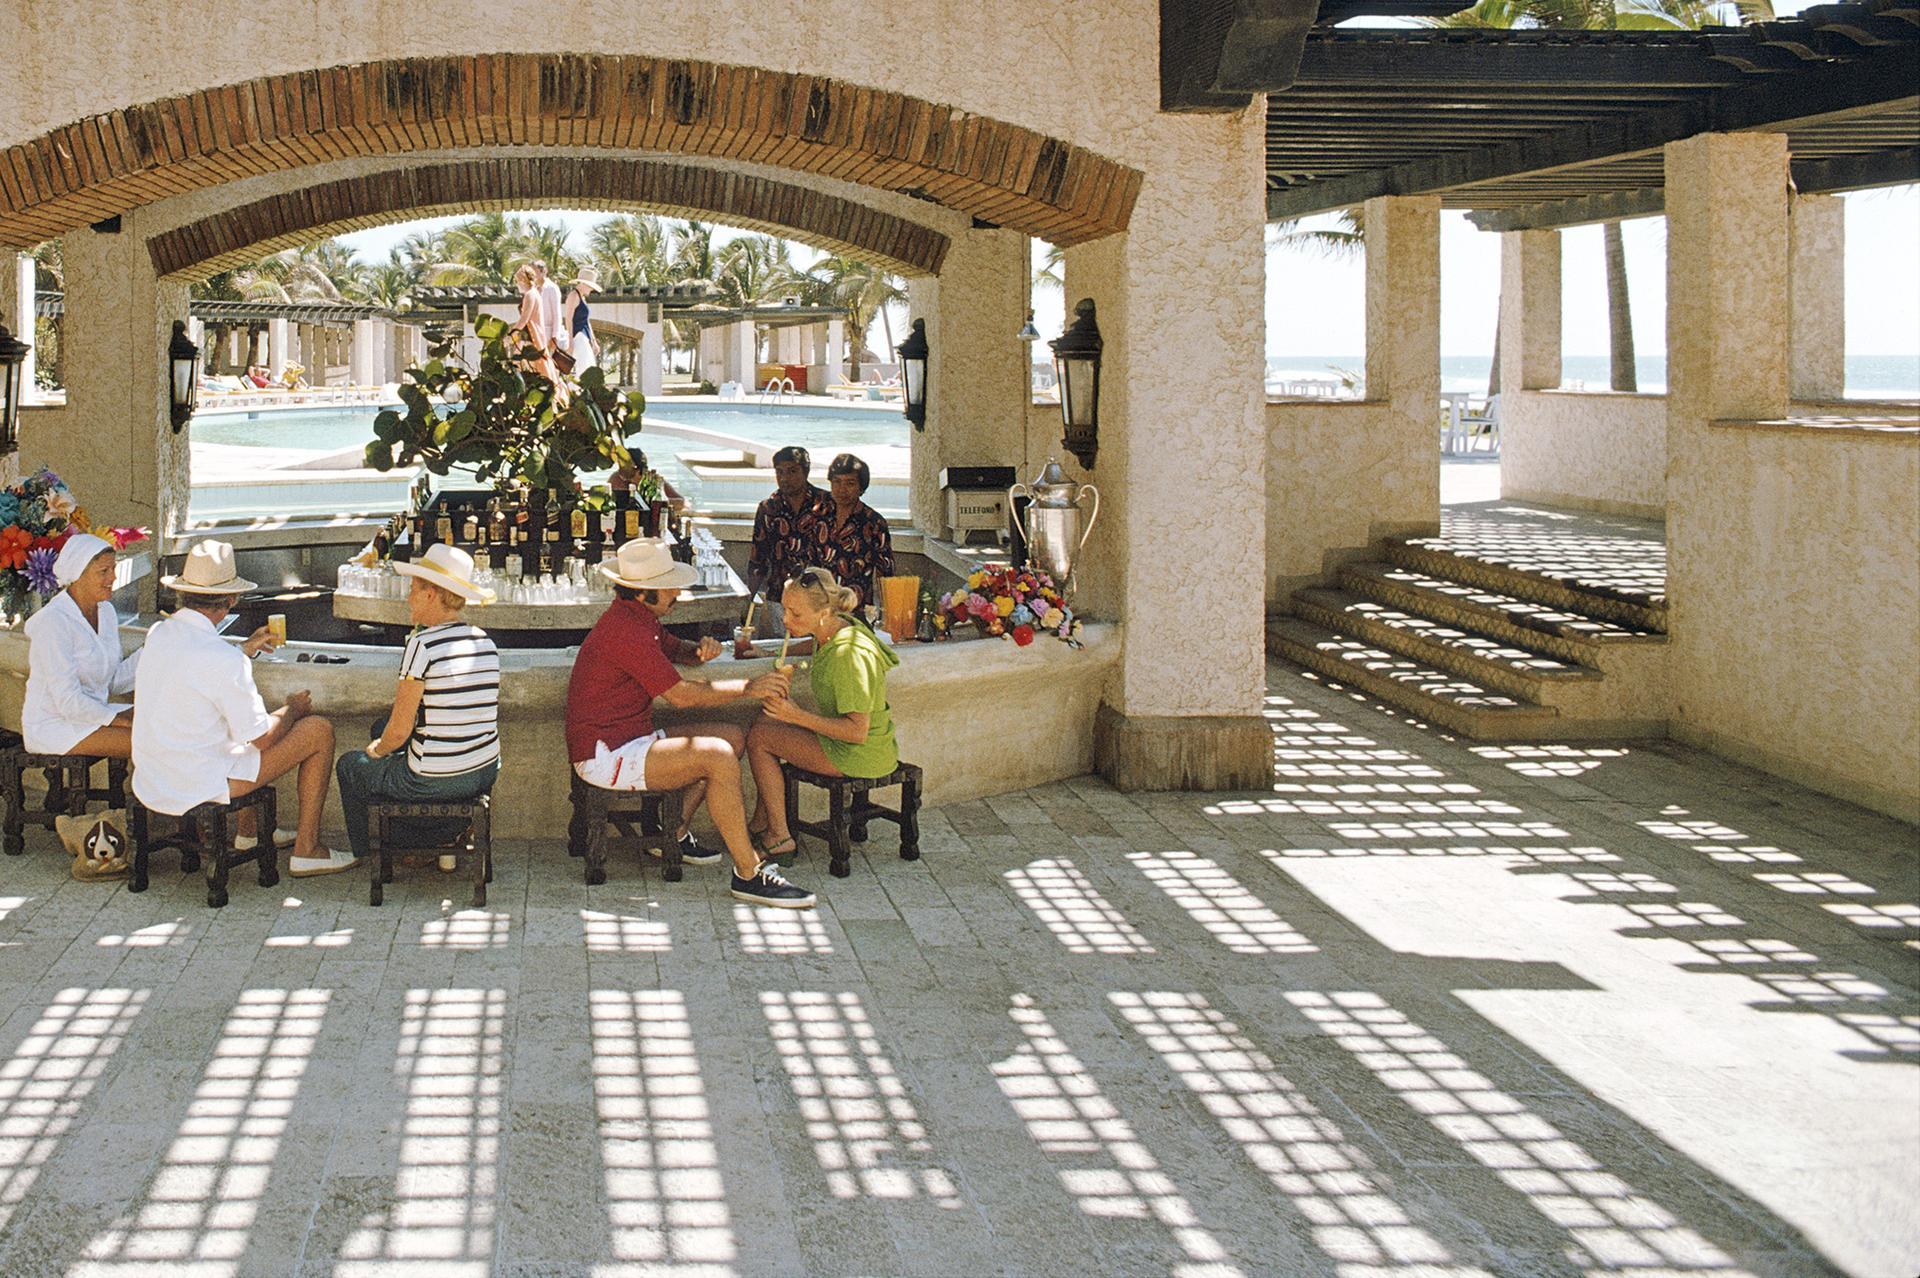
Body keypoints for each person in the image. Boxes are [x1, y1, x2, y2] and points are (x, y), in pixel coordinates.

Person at [566, 538, 814, 908]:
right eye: (668, 586)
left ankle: (675, 832)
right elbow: (682, 697)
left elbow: (672, 648)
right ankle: (748, 872)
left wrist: (698, 649)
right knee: (716, 756)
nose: (677, 592)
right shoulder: (626, 631)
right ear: (643, 592)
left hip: (630, 740)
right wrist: (750, 687)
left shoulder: (637, 618)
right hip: (606, 755)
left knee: (731, 736)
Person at [131, 540, 352, 876]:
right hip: (200, 783)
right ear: (232, 600)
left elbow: (196, 667)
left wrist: (243, 650)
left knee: (234, 730)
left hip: (153, 778)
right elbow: (262, 739)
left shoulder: (160, 634)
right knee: (317, 729)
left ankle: (249, 833)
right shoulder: (223, 659)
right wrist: (291, 709)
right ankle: (308, 849)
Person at [334, 544, 501, 873]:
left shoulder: (421, 645)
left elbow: (397, 733)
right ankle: (440, 842)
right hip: (484, 770)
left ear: (432, 595)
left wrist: (376, 751)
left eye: (413, 589)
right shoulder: (485, 641)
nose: (407, 597)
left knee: (351, 765)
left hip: (434, 779)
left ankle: (373, 855)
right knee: (380, 728)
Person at [746, 566, 900, 862]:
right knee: (765, 721)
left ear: (824, 612)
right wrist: (767, 653)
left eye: (796, 615)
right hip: (857, 745)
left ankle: (779, 837)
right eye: (785, 611)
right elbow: (816, 642)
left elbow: (856, 732)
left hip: (860, 752)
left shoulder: (848, 655)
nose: (787, 621)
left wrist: (795, 715)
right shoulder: (837, 626)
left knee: (759, 739)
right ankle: (763, 822)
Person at [22, 533, 141, 761]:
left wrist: (152, 650)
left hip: (94, 714)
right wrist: (121, 721)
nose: (113, 577)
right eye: (103, 572)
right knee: (151, 744)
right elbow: (67, 701)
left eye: (113, 569)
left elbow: (112, 680)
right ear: (78, 575)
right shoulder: (53, 622)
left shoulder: (106, 612)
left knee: (166, 724)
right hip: (55, 726)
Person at [746, 445, 830, 634]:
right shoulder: (768, 508)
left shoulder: (827, 504)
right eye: (780, 472)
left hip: (819, 599)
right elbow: (757, 559)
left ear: (806, 471)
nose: (785, 478)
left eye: (792, 471)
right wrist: (748, 600)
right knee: (784, 654)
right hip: (781, 598)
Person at [813, 452, 894, 609]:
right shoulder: (818, 517)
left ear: (861, 487)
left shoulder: (874, 522)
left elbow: (886, 573)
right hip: (820, 607)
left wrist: (886, 613)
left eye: (850, 483)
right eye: (837, 482)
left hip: (857, 608)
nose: (842, 489)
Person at [560, 266, 601, 374]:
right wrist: (570, 342)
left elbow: (587, 321)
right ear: (583, 284)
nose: (591, 289)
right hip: (578, 336)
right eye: (590, 286)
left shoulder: (582, 298)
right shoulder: (573, 296)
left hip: (584, 336)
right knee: (585, 370)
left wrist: (593, 341)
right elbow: (568, 319)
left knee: (588, 367)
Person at [532, 259, 564, 363]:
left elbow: (557, 314)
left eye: (534, 271)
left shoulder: (552, 288)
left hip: (549, 334)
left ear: (543, 271)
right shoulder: (533, 289)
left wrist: (555, 337)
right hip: (536, 334)